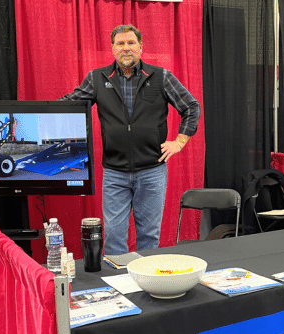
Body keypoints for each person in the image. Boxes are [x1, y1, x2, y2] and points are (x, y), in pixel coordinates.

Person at [60, 24, 201, 255]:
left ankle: (146, 287)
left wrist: (180, 142)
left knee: (148, 235)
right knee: (114, 237)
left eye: (131, 43)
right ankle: (119, 286)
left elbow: (191, 107)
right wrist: (38, 111)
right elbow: (71, 104)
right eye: (120, 43)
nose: (126, 48)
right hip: (114, 172)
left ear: (141, 46)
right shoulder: (98, 78)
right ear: (113, 48)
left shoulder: (161, 77)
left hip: (152, 171)